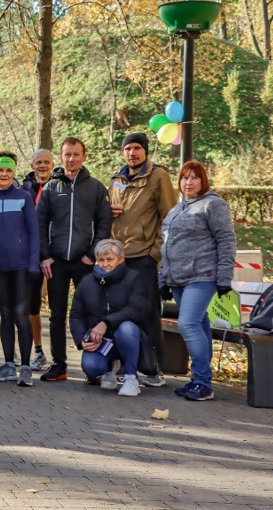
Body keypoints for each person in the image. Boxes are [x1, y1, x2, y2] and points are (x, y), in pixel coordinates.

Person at [160, 161, 236, 401]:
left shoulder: (214, 205)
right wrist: (164, 278)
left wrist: (225, 277)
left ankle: (203, 382)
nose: (188, 183)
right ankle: (200, 381)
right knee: (200, 326)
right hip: (179, 279)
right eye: (184, 178)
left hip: (202, 276)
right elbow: (167, 246)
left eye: (194, 178)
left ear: (203, 181)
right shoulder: (177, 209)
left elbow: (226, 240)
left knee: (188, 324)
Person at [37, 137, 112, 382]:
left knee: (91, 313)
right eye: (67, 154)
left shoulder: (96, 188)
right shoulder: (50, 188)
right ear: (61, 157)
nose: (72, 159)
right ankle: (59, 365)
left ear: (84, 156)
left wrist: (92, 255)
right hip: (56, 263)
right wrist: (45, 256)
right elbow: (39, 223)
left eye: (76, 154)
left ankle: (94, 367)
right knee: (57, 316)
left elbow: (104, 223)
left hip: (85, 263)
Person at [109, 132, 178, 387]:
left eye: (137, 148)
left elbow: (169, 218)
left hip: (144, 257)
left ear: (145, 151)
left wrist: (155, 253)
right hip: (118, 259)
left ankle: (154, 369)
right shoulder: (117, 179)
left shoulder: (158, 176)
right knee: (120, 313)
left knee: (148, 313)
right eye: (128, 149)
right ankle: (126, 366)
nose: (132, 153)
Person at [0, 153, 39, 387]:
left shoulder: (24, 197)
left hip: (22, 267)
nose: (4, 174)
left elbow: (34, 233)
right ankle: (8, 365)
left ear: (13, 173)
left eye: (8, 171)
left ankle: (25, 366)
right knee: (4, 316)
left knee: (21, 315)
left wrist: (33, 263)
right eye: (0, 170)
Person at [69, 240, 148, 397]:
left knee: (126, 328)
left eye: (110, 259)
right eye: (101, 260)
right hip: (101, 342)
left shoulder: (134, 278)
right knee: (90, 367)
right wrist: (81, 340)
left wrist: (106, 322)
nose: (105, 264)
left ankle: (131, 378)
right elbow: (76, 315)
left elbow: (137, 309)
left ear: (120, 260)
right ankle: (109, 370)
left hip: (129, 337)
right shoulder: (86, 282)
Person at [21, 148, 54, 371]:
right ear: (32, 165)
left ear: (53, 165)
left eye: (46, 163)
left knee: (58, 310)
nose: (42, 166)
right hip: (31, 257)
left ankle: (60, 356)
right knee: (31, 308)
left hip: (58, 254)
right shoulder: (23, 188)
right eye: (38, 162)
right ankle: (37, 351)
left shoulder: (61, 185)